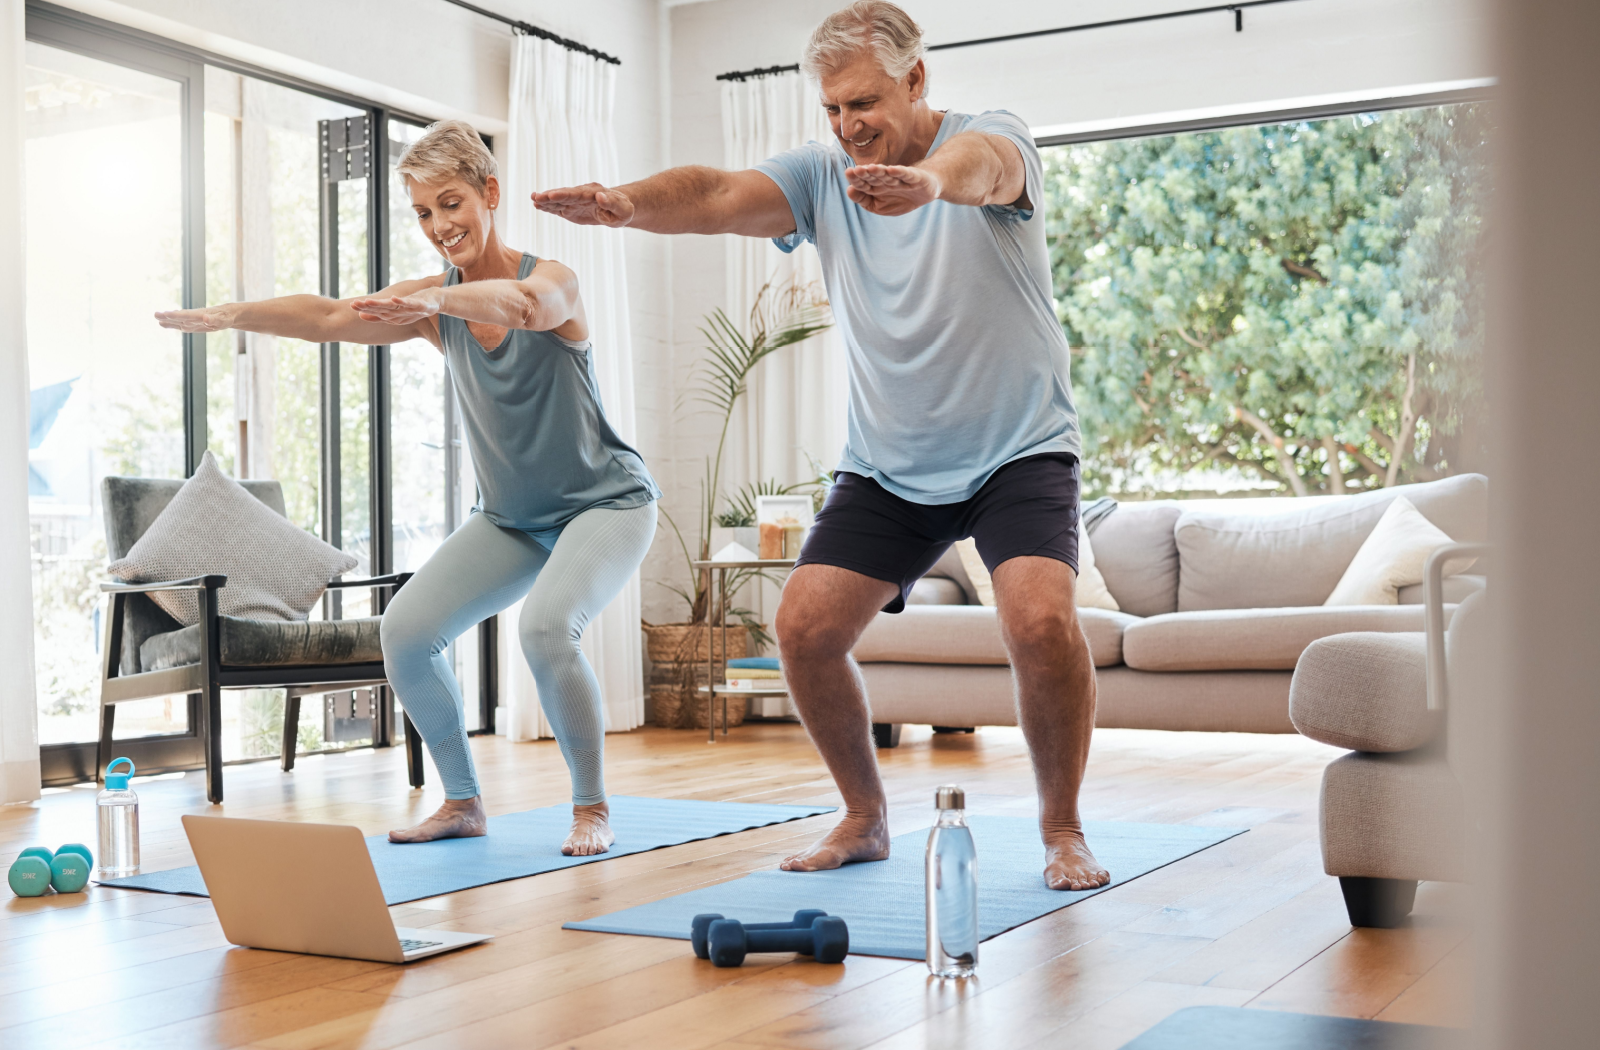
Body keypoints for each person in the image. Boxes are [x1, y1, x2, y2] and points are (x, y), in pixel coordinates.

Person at [534, 1, 1109, 891]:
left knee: (1038, 619)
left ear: (917, 79)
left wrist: (928, 186)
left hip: (1018, 448)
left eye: (865, 104)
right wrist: (627, 204)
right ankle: (866, 816)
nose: (848, 128)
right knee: (802, 629)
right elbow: (721, 194)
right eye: (833, 110)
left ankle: (1062, 828)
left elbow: (984, 169)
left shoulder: (992, 139)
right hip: (891, 462)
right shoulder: (824, 173)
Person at [156, 120, 660, 856]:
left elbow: (524, 308)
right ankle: (461, 802)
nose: (439, 226)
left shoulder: (553, 280)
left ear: (489, 194)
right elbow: (331, 317)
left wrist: (434, 303)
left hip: (606, 505)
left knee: (547, 629)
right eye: (423, 212)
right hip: (512, 520)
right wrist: (235, 315)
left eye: (450, 204)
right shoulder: (433, 300)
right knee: (408, 631)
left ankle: (591, 808)